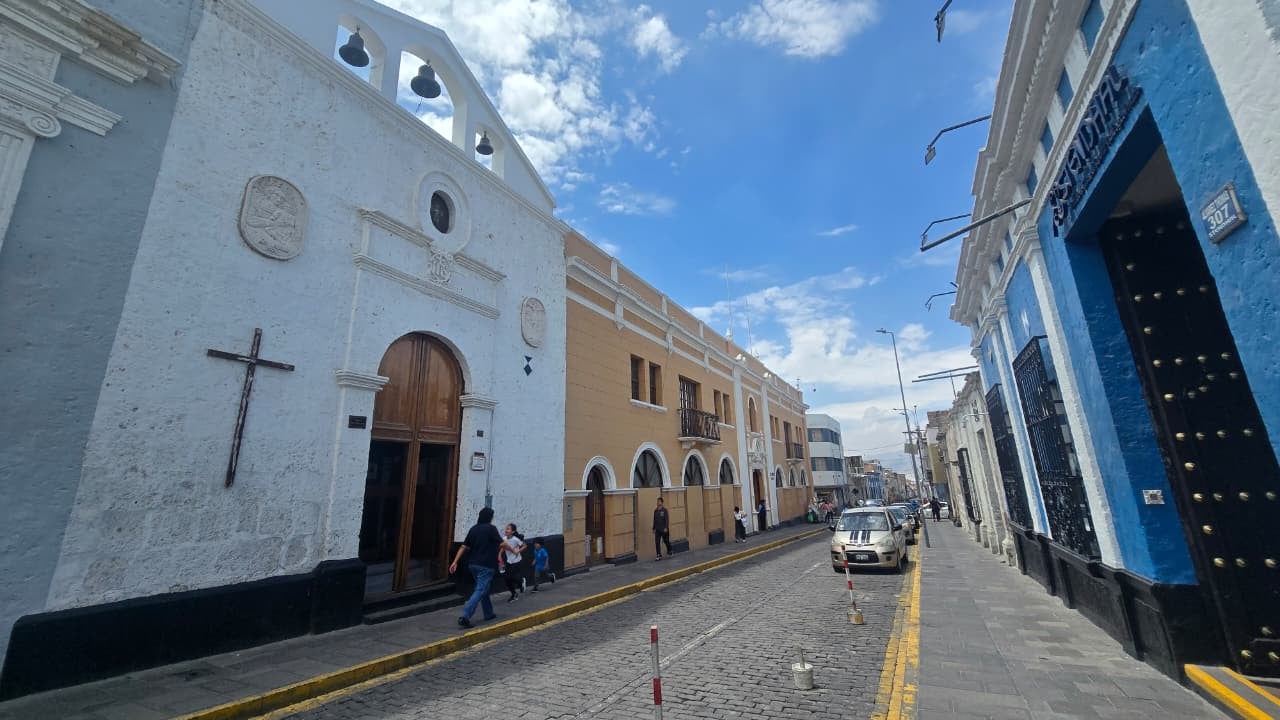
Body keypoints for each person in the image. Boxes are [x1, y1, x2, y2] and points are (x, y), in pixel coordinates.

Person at [449, 507, 502, 629]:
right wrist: (513, 550)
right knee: (480, 590)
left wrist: (455, 562)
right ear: (490, 517)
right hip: (486, 565)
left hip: (472, 565)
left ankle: (488, 613)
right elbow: (502, 543)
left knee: (484, 589)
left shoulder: (473, 529)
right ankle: (465, 616)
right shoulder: (491, 528)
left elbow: (463, 546)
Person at [501, 523, 526, 602]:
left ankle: (521, 581)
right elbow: (503, 547)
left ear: (513, 531)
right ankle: (514, 594)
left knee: (513, 577)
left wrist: (518, 551)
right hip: (509, 561)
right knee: (507, 579)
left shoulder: (515, 539)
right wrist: (499, 555)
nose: (506, 530)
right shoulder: (504, 538)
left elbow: (524, 546)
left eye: (508, 529)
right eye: (506, 528)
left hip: (516, 561)